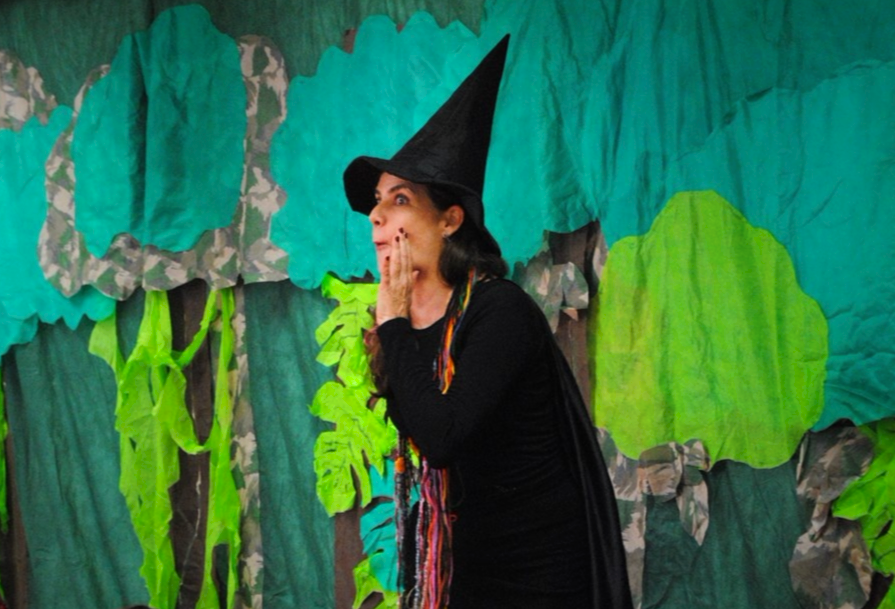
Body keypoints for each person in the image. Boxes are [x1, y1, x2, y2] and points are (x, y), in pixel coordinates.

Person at [344, 36, 633, 609]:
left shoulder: (500, 311)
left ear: (450, 220)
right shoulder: (412, 324)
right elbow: (421, 427)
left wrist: (394, 322)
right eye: (377, 201)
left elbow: (442, 437)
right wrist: (398, 326)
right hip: (472, 563)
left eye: (399, 199)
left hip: (543, 572)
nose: (376, 214)